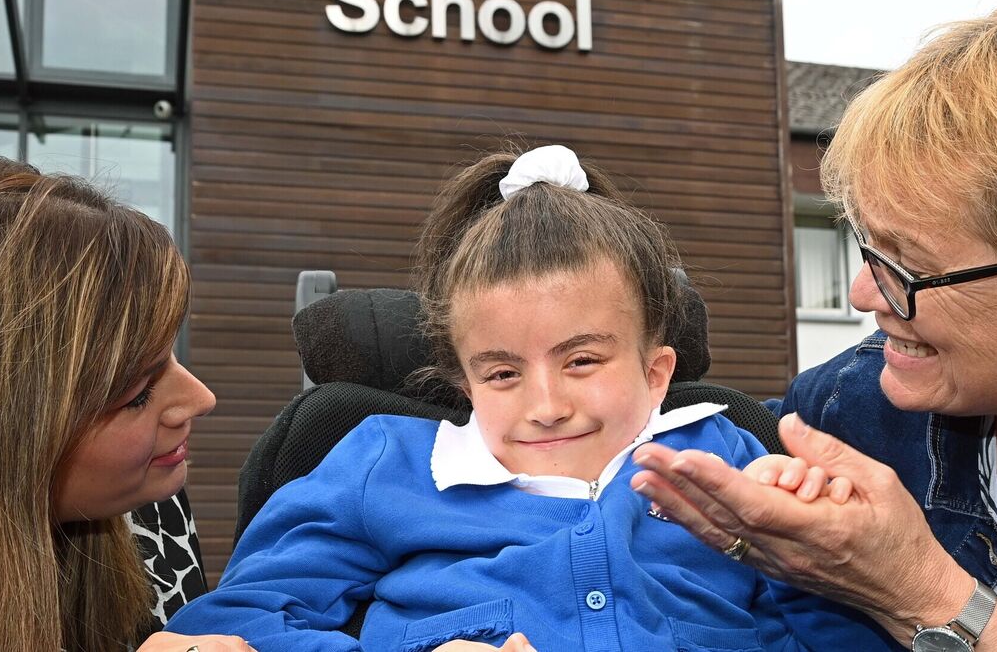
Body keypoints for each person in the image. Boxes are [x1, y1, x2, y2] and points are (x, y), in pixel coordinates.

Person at [167, 145, 895, 650]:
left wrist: (818, 542)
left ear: (656, 371)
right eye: (503, 373)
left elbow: (840, 628)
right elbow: (242, 618)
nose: (545, 403)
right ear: (463, 380)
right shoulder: (383, 463)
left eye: (581, 359)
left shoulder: (725, 453)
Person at [631, 0, 997, 651]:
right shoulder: (847, 412)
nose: (862, 294)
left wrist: (919, 590)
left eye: (908, 267)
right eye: (866, 248)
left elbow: (914, 589)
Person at [0, 151, 254, 652]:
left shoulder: (149, 510)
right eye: (138, 394)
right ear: (1, 427)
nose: (201, 400)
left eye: (171, 356)